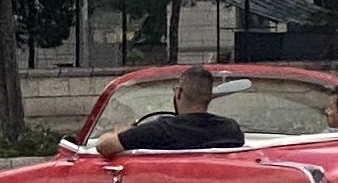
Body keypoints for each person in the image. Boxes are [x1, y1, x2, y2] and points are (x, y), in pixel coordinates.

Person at [96, 65, 244, 155]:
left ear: (178, 93)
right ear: (210, 97)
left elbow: (103, 146)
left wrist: (120, 132)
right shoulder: (231, 130)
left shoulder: (159, 130)